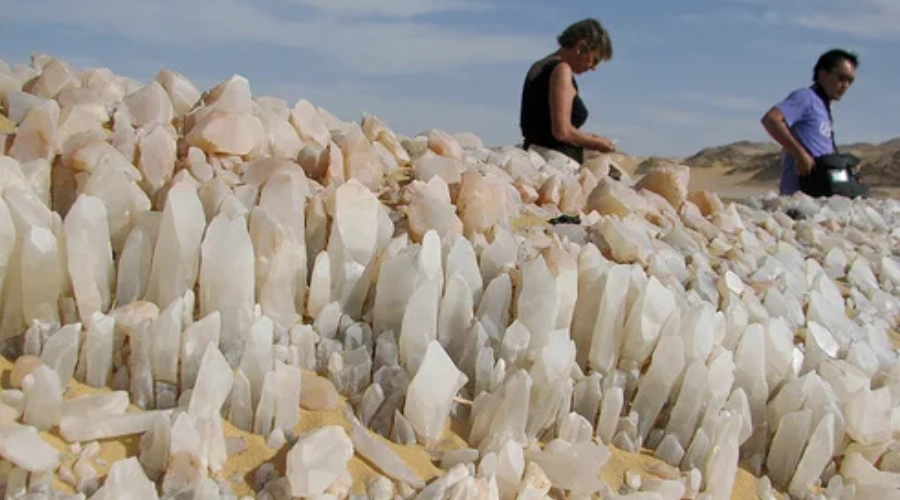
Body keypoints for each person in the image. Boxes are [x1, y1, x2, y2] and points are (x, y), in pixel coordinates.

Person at [519, 18, 617, 167]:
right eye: (594, 60)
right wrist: (597, 144)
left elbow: (543, 124)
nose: (593, 67)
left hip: (536, 153)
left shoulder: (539, 66)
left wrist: (588, 137)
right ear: (581, 47)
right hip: (555, 159)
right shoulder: (561, 70)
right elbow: (561, 131)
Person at [760, 48, 859, 196]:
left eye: (850, 81)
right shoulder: (806, 98)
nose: (845, 85)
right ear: (823, 74)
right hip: (799, 193)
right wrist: (800, 155)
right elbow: (771, 119)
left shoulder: (824, 107)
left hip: (820, 192)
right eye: (841, 78)